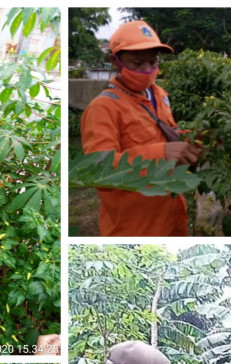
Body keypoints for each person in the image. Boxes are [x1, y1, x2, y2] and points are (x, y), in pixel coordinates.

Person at [80, 20, 201, 237]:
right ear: (115, 62)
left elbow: (167, 134)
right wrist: (161, 154)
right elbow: (99, 169)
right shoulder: (103, 108)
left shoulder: (159, 94)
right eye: (137, 63)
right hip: (134, 226)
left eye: (152, 62)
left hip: (171, 213)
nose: (147, 70)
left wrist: (196, 138)